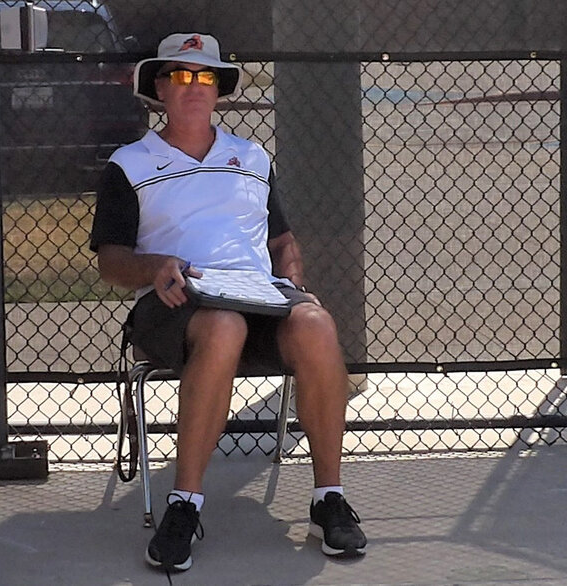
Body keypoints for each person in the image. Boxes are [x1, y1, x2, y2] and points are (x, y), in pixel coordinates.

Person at [89, 32, 366, 572]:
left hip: (257, 296)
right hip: (174, 304)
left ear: (219, 90)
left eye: (206, 77)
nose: (195, 86)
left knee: (316, 324)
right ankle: (185, 505)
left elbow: (282, 241)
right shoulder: (129, 163)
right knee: (222, 327)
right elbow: (111, 261)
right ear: (160, 88)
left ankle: (327, 497)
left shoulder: (251, 156)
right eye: (183, 76)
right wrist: (156, 267)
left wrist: (292, 280)